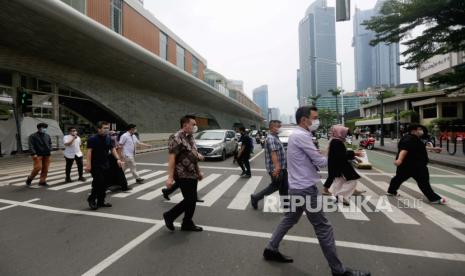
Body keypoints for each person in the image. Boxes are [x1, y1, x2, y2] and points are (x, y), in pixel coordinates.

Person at [263, 106, 370, 276]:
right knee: (323, 227)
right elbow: (320, 162)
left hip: (296, 186)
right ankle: (338, 270)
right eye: (315, 117)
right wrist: (341, 155)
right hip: (305, 189)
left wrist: (330, 153)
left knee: (289, 218)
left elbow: (312, 157)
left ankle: (271, 248)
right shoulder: (302, 136)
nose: (316, 121)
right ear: (304, 120)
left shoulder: (299, 135)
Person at [163, 115, 204, 232]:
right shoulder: (175, 137)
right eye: (193, 124)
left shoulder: (191, 137)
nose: (195, 126)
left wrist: (198, 171)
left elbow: (194, 155)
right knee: (190, 199)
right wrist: (170, 177)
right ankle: (169, 215)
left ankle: (187, 223)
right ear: (185, 125)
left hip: (192, 173)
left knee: (192, 200)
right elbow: (171, 158)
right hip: (181, 174)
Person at [387, 124, 446, 204]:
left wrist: (433, 149)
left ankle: (391, 191)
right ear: (414, 130)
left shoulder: (410, 138)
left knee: (398, 178)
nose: (421, 131)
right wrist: (399, 160)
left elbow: (417, 147)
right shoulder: (410, 139)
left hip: (407, 165)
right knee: (423, 182)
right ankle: (434, 199)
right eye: (419, 129)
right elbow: (404, 150)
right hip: (416, 165)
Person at [85, 121, 124, 210]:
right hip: (95, 165)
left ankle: (101, 201)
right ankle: (91, 199)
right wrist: (88, 164)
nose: (107, 130)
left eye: (107, 128)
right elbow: (89, 152)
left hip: (106, 164)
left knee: (104, 184)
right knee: (98, 182)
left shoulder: (109, 138)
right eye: (105, 128)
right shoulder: (92, 139)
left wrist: (118, 159)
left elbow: (113, 149)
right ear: (99, 129)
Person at [250, 120, 288, 210]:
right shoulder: (271, 138)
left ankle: (285, 204)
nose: (279, 128)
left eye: (280, 126)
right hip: (276, 168)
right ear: (271, 127)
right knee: (275, 186)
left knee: (284, 186)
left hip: (282, 167)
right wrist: (277, 168)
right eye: (278, 126)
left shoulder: (275, 137)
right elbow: (273, 153)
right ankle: (255, 198)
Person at [326, 125, 365, 206]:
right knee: (352, 181)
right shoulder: (337, 142)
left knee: (339, 181)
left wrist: (354, 156)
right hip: (341, 166)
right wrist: (355, 153)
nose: (346, 135)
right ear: (340, 132)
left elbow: (342, 153)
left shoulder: (335, 141)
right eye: (345, 133)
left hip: (336, 166)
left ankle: (341, 198)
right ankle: (340, 196)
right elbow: (342, 155)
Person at [26, 122, 52, 187]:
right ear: (39, 128)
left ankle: (42, 181)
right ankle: (30, 178)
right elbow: (31, 145)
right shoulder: (33, 136)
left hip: (47, 154)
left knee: (45, 169)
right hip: (37, 155)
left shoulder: (47, 136)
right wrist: (33, 153)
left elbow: (50, 143)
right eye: (43, 128)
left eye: (45, 128)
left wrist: (50, 149)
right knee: (38, 168)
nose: (45, 129)